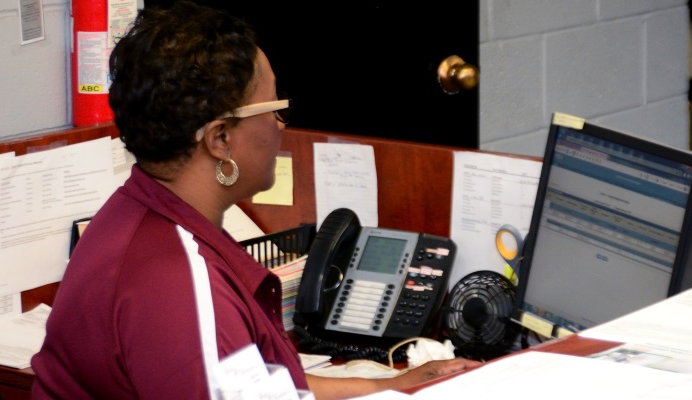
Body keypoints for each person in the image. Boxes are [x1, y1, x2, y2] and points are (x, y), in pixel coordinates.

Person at [30, 2, 478, 399]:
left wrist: (390, 386)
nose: (281, 125)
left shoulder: (134, 214)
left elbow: (254, 387)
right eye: (272, 109)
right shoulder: (177, 284)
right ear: (221, 138)